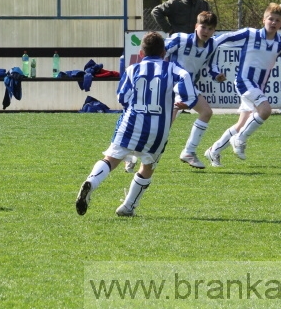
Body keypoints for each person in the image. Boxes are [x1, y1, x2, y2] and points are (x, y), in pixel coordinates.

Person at [75, 31, 210, 217]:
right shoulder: (175, 70)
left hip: (131, 123)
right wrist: (181, 103)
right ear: (164, 53)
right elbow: (189, 95)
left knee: (112, 159)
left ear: (141, 53)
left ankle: (91, 181)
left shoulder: (132, 69)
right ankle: (128, 206)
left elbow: (122, 97)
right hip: (157, 130)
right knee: (148, 166)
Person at [204, 3, 281, 167]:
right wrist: (201, 45)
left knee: (242, 123)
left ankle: (214, 151)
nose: (273, 22)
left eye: (277, 20)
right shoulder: (250, 34)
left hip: (258, 87)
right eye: (270, 19)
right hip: (245, 82)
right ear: (264, 19)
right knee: (265, 110)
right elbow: (220, 39)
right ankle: (240, 139)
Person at [166, 11, 227, 169]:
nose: (206, 31)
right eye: (203, 27)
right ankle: (134, 152)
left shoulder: (212, 45)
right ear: (196, 26)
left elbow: (211, 65)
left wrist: (217, 75)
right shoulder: (181, 39)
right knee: (164, 125)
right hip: (172, 83)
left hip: (188, 85)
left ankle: (189, 151)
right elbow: (160, 53)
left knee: (205, 112)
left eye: (210, 28)